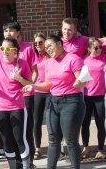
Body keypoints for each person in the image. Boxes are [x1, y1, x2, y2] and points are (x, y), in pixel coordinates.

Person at [23, 34, 85, 168]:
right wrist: (32, 86)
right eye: (46, 48)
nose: (47, 49)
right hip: (53, 101)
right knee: (53, 139)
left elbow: (81, 79)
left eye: (49, 46)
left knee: (70, 141)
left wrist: (79, 82)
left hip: (71, 101)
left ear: (60, 44)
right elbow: (48, 84)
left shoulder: (73, 59)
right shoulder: (48, 63)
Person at [0, 37, 32, 169]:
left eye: (8, 49)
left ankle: (26, 166)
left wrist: (19, 78)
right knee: (6, 141)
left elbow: (31, 84)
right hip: (0, 107)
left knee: (20, 139)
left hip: (17, 106)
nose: (4, 52)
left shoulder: (22, 64)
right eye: (2, 48)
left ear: (15, 51)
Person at [81, 37, 106, 159]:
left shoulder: (104, 59)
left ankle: (100, 149)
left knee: (100, 123)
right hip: (86, 97)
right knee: (85, 123)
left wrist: (101, 41)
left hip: (100, 97)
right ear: (89, 48)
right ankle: (85, 148)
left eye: (100, 47)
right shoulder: (83, 60)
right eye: (96, 47)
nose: (99, 49)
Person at [31, 33, 50, 160]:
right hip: (38, 91)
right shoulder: (33, 56)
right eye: (36, 43)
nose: (38, 45)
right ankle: (37, 148)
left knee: (51, 121)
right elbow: (33, 72)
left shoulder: (51, 55)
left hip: (50, 91)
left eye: (40, 42)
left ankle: (56, 146)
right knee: (36, 121)